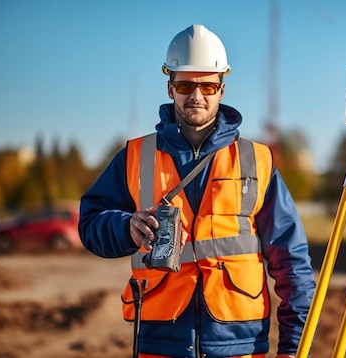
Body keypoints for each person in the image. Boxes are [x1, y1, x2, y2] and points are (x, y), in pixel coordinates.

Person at [78, 24, 316, 358]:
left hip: (240, 343)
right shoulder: (134, 156)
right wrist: (125, 227)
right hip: (161, 341)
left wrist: (294, 347)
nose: (197, 95)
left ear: (221, 88)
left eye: (207, 85)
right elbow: (90, 225)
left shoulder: (255, 160)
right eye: (186, 84)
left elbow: (292, 262)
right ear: (170, 88)